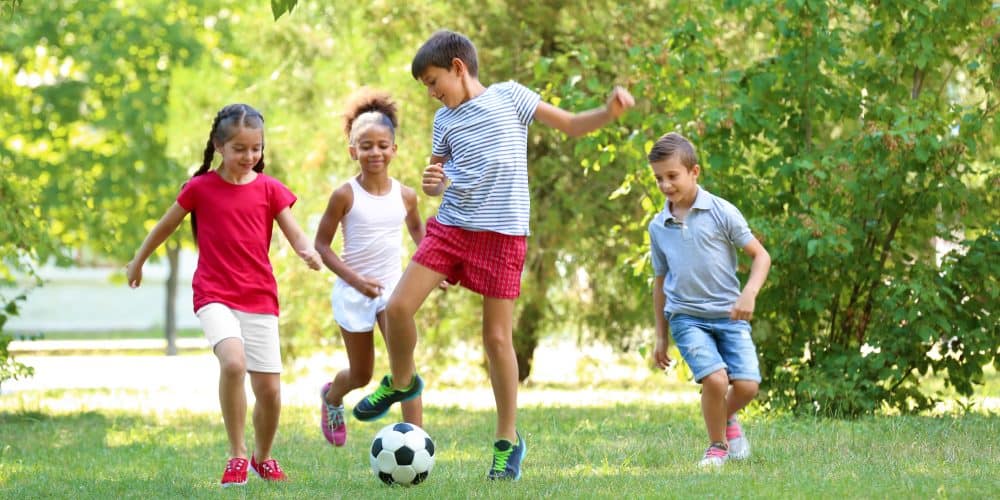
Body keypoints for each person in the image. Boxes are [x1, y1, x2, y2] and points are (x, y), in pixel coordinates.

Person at [351, 29, 635, 481]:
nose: (431, 93)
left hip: (503, 236)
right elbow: (438, 177)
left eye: (433, 81)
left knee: (497, 340)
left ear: (458, 68)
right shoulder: (444, 121)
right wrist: (433, 185)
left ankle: (507, 442)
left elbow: (569, 124)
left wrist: (607, 113)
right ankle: (401, 381)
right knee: (399, 307)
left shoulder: (510, 97)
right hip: (452, 228)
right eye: (425, 86)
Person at [125, 104, 322, 487]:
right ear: (219, 146)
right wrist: (138, 260)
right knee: (233, 363)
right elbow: (165, 225)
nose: (249, 157)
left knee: (270, 392)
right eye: (239, 149)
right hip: (214, 293)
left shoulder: (269, 189)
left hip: (259, 296)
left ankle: (262, 457)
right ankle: (236, 455)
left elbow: (294, 231)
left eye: (256, 149)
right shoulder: (200, 188)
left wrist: (307, 251)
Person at [646, 132, 771, 467]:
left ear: (694, 172)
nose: (665, 184)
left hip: (730, 315)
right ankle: (717, 445)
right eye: (658, 178)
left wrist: (749, 293)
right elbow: (660, 282)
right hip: (686, 316)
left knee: (747, 386)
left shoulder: (721, 211)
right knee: (715, 380)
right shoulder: (658, 226)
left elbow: (761, 256)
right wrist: (661, 336)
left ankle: (724, 417)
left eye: (672, 176)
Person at [314, 88, 427, 447]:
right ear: (353, 151)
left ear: (394, 149)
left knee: (404, 367)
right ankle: (332, 397)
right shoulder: (344, 195)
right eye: (366, 146)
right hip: (353, 292)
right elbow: (322, 246)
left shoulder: (406, 196)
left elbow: (418, 232)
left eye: (382, 145)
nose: (375, 152)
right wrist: (356, 280)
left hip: (393, 292)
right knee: (362, 374)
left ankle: (417, 441)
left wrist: (433, 268)